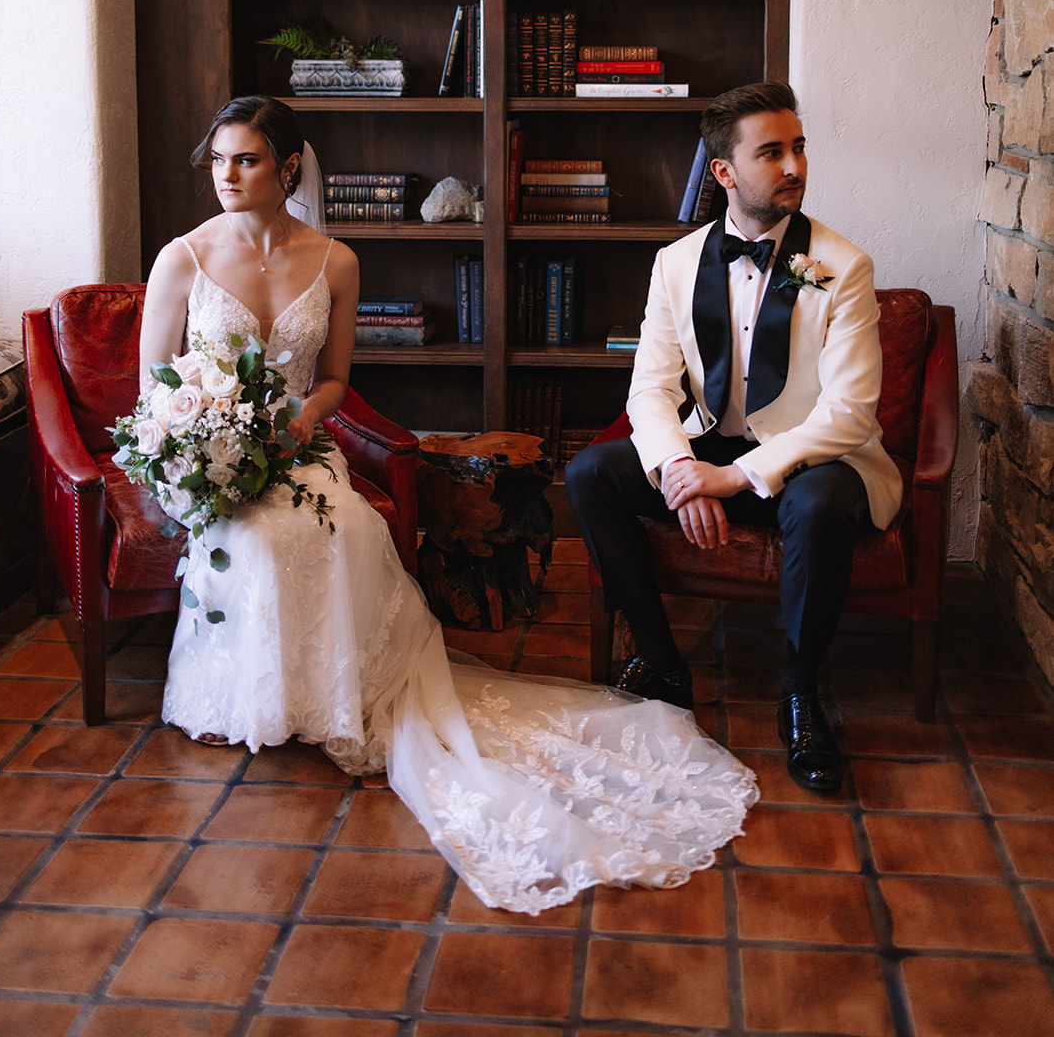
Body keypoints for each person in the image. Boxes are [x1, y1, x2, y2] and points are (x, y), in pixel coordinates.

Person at [138, 94, 758, 915]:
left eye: (245, 159)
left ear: (287, 168)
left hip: (301, 450)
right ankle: (261, 699)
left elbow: (332, 379)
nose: (226, 175)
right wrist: (203, 442)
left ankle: (335, 695)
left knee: (344, 528)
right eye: (216, 160)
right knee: (252, 539)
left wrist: (303, 421)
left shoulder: (336, 260)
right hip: (212, 459)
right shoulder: (180, 258)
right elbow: (157, 386)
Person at [566, 81, 902, 793]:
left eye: (798, 148)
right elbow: (649, 390)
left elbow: (850, 413)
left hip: (811, 460)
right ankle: (661, 663)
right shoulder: (675, 262)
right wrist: (680, 468)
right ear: (723, 172)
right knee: (590, 474)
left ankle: (800, 694)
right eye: (772, 152)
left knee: (814, 504)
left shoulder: (842, 267)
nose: (794, 167)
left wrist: (732, 478)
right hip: (709, 447)